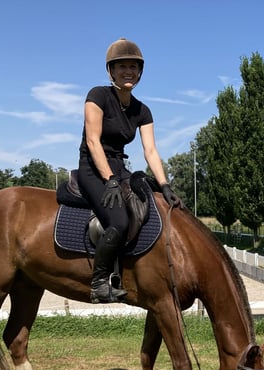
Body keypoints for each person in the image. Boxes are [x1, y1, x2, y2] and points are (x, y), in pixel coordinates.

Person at [78, 37, 182, 304]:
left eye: (133, 67)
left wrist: (166, 185)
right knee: (120, 221)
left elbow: (151, 151)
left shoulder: (142, 110)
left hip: (120, 168)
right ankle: (99, 283)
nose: (128, 71)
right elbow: (92, 140)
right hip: (93, 166)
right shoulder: (97, 95)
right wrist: (109, 179)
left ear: (140, 72)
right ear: (111, 71)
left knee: (151, 198)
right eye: (121, 66)